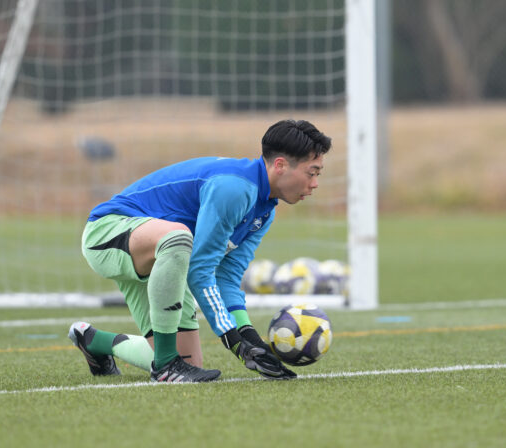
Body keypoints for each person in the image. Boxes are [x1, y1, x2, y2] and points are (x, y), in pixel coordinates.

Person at [68, 119, 332, 383]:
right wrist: (233, 341)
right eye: (312, 173)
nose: (315, 184)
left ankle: (94, 342)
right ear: (280, 165)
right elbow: (200, 269)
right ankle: (165, 366)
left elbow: (226, 278)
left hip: (161, 259)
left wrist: (249, 337)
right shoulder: (234, 188)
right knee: (178, 237)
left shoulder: (264, 211)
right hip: (107, 232)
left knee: (189, 363)